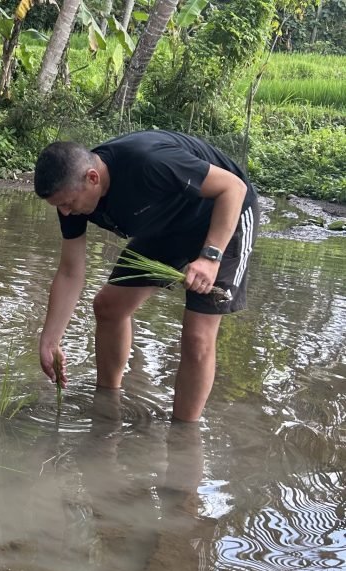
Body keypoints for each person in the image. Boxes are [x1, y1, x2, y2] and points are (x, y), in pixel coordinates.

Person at [34, 130, 259, 422]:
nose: (65, 211)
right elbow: (70, 271)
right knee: (109, 306)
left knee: (197, 336)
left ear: (92, 178)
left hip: (222, 218)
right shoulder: (70, 196)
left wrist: (209, 257)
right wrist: (50, 339)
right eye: (58, 206)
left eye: (67, 203)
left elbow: (233, 188)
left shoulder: (148, 162)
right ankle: (106, 407)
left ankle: (182, 437)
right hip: (168, 226)